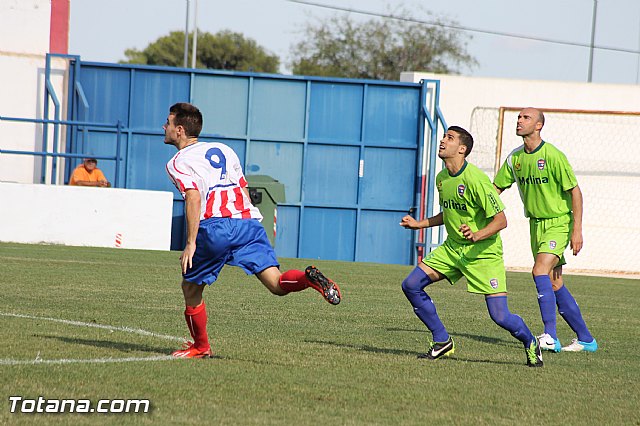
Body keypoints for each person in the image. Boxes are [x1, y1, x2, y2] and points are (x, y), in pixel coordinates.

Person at [163, 102, 342, 359]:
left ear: (179, 130)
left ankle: (201, 346)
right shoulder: (225, 149)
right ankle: (308, 278)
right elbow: (243, 187)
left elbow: (193, 197)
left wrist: (190, 242)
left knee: (191, 289)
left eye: (168, 123)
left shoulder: (177, 162)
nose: (164, 127)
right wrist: (249, 221)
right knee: (277, 284)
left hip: (216, 227)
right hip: (248, 223)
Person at [400, 126, 543, 367]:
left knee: (499, 315)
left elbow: (501, 220)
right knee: (411, 285)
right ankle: (442, 340)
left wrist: (477, 235)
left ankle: (530, 341)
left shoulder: (476, 179)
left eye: (450, 138)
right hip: (453, 249)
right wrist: (420, 224)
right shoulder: (442, 178)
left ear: (462, 149)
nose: (443, 141)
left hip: (483, 254)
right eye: (444, 136)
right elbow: (449, 213)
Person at [493, 107, 597, 353]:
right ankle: (586, 339)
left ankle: (550, 335)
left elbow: (575, 191)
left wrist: (577, 230)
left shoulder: (552, 155)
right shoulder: (514, 158)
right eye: (518, 117)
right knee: (554, 283)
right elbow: (495, 189)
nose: (519, 121)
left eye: (526, 117)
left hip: (559, 222)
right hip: (536, 225)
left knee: (539, 270)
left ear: (538, 125)